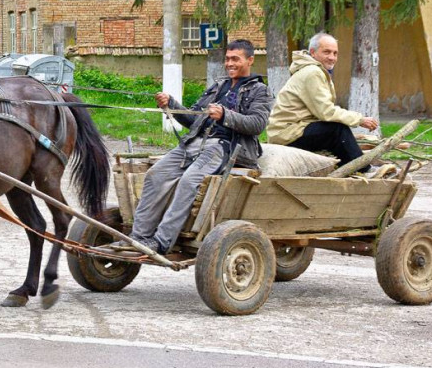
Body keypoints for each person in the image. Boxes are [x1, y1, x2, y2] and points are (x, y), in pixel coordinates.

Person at [112, 39, 273, 255]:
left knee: (189, 182)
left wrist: (226, 115)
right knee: (155, 174)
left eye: (236, 59)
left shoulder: (259, 90)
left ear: (250, 60)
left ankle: (161, 242)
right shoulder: (218, 86)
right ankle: (139, 237)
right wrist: (171, 104)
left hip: (226, 147)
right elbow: (192, 119)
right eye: (227, 59)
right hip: (194, 143)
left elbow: (257, 124)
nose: (230, 63)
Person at [266, 32, 378, 173]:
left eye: (335, 53)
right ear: (313, 52)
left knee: (335, 131)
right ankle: (364, 170)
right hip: (287, 134)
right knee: (337, 130)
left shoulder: (314, 70)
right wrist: (360, 119)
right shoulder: (313, 72)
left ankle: (346, 170)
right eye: (326, 52)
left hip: (292, 130)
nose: (332, 57)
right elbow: (326, 112)